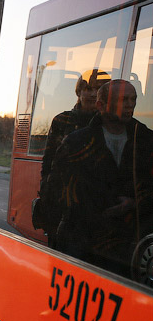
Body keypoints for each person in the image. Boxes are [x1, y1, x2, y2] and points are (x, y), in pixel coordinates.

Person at [46, 79, 153, 276]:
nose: (130, 104)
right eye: (123, 99)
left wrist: (135, 203)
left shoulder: (146, 140)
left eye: (133, 99)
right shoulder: (77, 142)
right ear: (101, 105)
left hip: (127, 247)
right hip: (80, 243)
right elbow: (55, 189)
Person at [34, 69, 109, 241]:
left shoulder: (109, 123)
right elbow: (48, 161)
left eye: (98, 89)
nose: (92, 94)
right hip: (61, 203)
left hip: (95, 204)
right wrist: (47, 194)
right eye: (88, 89)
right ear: (78, 92)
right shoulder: (62, 120)